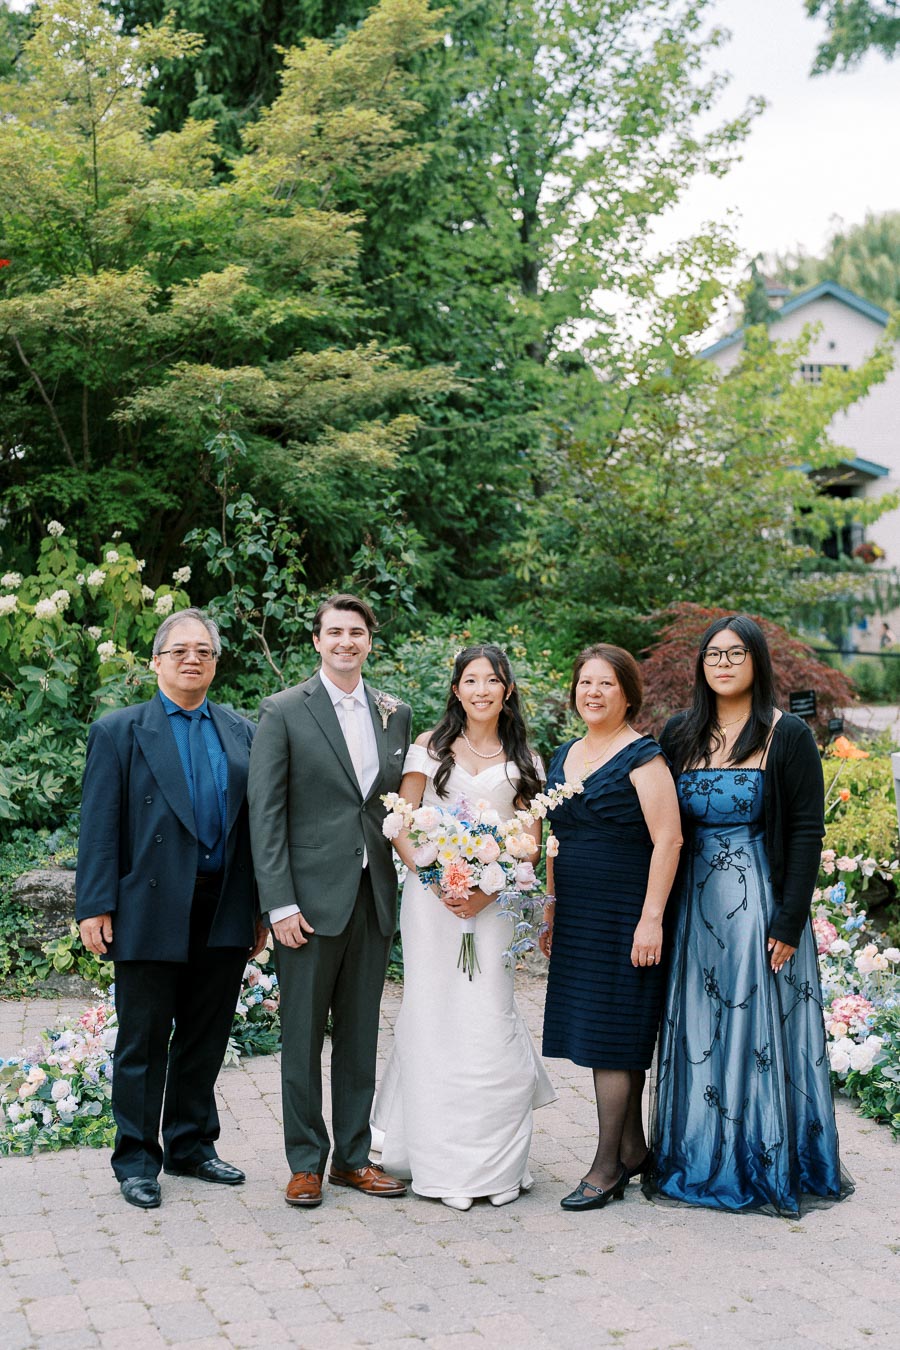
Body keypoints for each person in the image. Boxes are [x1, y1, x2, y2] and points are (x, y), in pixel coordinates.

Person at [649, 614, 852, 1216]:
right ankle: (700, 1153)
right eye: (713, 654)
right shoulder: (679, 732)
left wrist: (789, 922)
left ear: (757, 663)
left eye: (736, 654)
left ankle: (754, 1158)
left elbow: (808, 830)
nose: (724, 664)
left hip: (756, 904)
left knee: (752, 1031)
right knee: (698, 1030)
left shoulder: (785, 733)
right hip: (691, 906)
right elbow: (657, 823)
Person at [76, 608, 264, 1210]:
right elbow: (100, 825)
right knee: (144, 1038)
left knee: (206, 1037)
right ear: (157, 661)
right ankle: (136, 1158)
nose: (193, 659)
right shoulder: (119, 731)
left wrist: (259, 908)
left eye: (204, 651)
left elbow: (257, 828)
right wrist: (95, 904)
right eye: (180, 650)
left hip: (223, 903)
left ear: (216, 663)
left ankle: (190, 1145)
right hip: (148, 904)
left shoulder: (242, 731)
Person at [372, 644, 556, 1210]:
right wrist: (434, 878)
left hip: (495, 904)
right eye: (471, 680)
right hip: (434, 904)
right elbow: (400, 822)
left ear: (507, 690)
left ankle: (492, 1165)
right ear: (456, 689)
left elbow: (530, 838)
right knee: (433, 1012)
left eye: (492, 680)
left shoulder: (524, 755)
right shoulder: (429, 749)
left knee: (488, 1013)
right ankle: (437, 1159)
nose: (481, 690)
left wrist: (489, 881)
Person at [248, 594, 411, 1208]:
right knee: (301, 1036)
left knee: (361, 1037)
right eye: (334, 632)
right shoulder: (284, 710)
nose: (346, 641)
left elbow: (396, 806)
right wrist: (279, 904)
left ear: (370, 640)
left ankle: (351, 1158)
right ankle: (304, 1162)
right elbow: (265, 816)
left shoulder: (395, 713)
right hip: (308, 906)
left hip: (372, 897)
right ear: (316, 641)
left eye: (357, 632)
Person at [540, 644, 682, 1212]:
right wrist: (549, 905)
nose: (593, 693)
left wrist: (651, 920)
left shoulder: (643, 757)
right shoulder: (563, 753)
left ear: (627, 694)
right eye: (585, 683)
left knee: (615, 1040)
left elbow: (668, 839)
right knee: (600, 1032)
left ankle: (606, 1168)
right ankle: (635, 1151)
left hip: (626, 913)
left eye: (606, 685)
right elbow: (554, 837)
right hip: (577, 914)